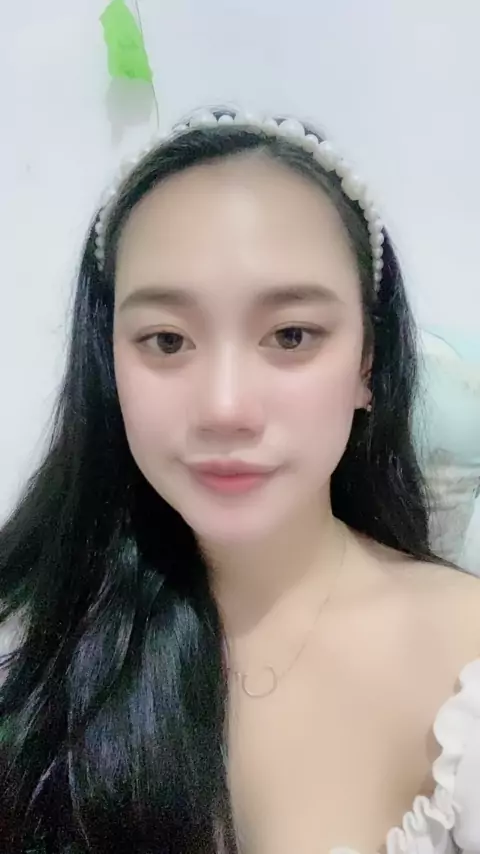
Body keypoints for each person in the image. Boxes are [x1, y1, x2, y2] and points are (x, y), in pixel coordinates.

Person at [0, 106, 479, 854]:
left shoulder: (467, 659)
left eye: (291, 335)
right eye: (167, 340)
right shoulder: (30, 638)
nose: (224, 408)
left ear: (367, 363)